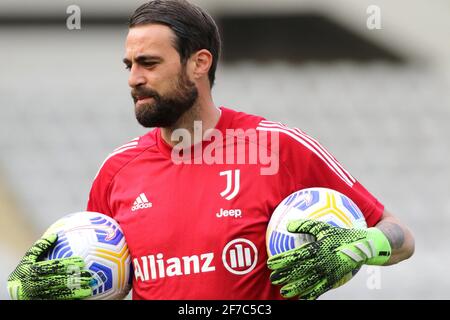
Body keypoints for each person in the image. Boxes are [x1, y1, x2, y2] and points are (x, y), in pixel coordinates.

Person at [7, 0, 414, 300]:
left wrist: (361, 245)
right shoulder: (117, 171)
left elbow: (399, 237)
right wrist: (31, 288)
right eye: (129, 65)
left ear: (199, 63)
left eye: (148, 63)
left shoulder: (279, 147)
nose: (134, 78)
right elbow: (101, 278)